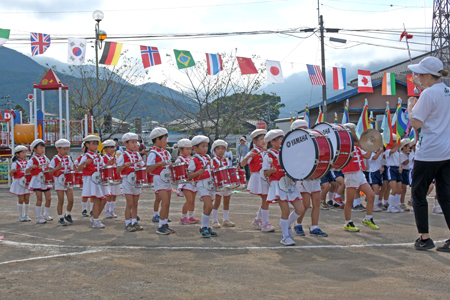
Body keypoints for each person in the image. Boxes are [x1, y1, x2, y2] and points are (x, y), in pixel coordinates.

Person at [407, 56, 450, 251]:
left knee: (418, 193)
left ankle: (425, 238)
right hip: (446, 151)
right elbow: (436, 101)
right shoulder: (446, 90)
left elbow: (416, 122)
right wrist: (423, 89)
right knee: (446, 195)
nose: (417, 77)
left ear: (426, 75)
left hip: (428, 152)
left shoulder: (427, 94)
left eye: (419, 74)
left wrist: (410, 108)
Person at [262, 129, 304, 246]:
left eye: (282, 138)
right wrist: (271, 171)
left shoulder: (286, 152)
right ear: (272, 142)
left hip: (289, 183)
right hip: (278, 184)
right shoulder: (268, 155)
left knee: (300, 209)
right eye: (280, 139)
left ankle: (285, 224)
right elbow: (265, 173)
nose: (282, 140)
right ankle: (285, 236)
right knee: (285, 210)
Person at [290, 120, 328, 237]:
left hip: (314, 177)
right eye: (302, 128)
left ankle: (314, 227)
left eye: (306, 128)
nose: (306, 130)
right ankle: (297, 224)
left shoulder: (314, 142)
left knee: (316, 202)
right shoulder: (292, 145)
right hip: (303, 178)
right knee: (305, 204)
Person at [341, 123, 378, 232]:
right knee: (349, 201)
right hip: (351, 174)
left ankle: (368, 218)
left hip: (359, 173)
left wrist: (371, 146)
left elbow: (367, 155)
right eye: (352, 129)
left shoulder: (356, 147)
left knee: (371, 195)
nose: (354, 131)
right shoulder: (345, 146)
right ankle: (348, 223)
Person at [241, 129, 275, 232]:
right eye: (261, 139)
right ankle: (265, 223)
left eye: (264, 139)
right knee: (265, 199)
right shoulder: (253, 151)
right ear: (254, 141)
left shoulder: (266, 151)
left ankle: (258, 220)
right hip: (258, 177)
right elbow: (242, 164)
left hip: (266, 177)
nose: (263, 141)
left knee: (266, 200)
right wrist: (248, 157)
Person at [188, 135, 218, 238]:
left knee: (208, 207)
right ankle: (203, 228)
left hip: (210, 183)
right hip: (201, 184)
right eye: (203, 146)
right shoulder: (194, 160)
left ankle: (206, 226)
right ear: (195, 148)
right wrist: (197, 173)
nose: (206, 148)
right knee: (209, 206)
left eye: (206, 146)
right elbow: (189, 175)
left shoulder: (208, 157)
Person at [146, 127, 174, 235]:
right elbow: (148, 169)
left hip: (167, 179)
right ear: (157, 139)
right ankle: (160, 226)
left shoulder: (166, 152)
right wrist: (158, 164)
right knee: (165, 202)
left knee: (168, 203)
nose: (166, 142)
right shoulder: (153, 153)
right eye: (165, 139)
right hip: (158, 179)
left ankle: (165, 223)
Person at [117, 133, 144, 232]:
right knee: (129, 203)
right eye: (132, 142)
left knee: (135, 203)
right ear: (125, 143)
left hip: (136, 180)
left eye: (136, 142)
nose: (135, 144)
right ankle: (127, 223)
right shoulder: (123, 156)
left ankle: (134, 222)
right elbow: (118, 170)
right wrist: (124, 165)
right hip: (127, 181)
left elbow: (142, 166)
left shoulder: (137, 155)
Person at [78, 135, 106, 229]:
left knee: (103, 199)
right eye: (93, 144)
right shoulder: (86, 156)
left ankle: (95, 217)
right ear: (87, 145)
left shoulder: (98, 156)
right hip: (90, 179)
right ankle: (96, 220)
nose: (96, 146)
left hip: (98, 179)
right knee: (97, 199)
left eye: (97, 144)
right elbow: (79, 168)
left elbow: (102, 167)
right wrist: (84, 163)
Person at [48, 139, 74, 226]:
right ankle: (60, 218)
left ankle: (68, 214)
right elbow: (50, 172)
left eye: (67, 149)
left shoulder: (68, 158)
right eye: (64, 149)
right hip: (59, 181)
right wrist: (56, 168)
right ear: (58, 149)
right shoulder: (55, 159)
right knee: (61, 200)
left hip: (68, 180)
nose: (66, 151)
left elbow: (72, 168)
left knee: (71, 199)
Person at [26, 139, 52, 224]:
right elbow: (26, 171)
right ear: (34, 149)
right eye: (41, 148)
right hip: (37, 181)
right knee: (39, 199)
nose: (43, 150)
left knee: (49, 198)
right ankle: (39, 217)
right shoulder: (32, 159)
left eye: (43, 148)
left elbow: (50, 165)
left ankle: (46, 214)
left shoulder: (45, 157)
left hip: (45, 180)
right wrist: (31, 167)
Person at [211, 139, 235, 228]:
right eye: (218, 149)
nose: (221, 150)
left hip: (227, 184)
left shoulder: (227, 160)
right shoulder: (213, 161)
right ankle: (214, 220)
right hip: (218, 184)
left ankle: (225, 219)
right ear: (214, 151)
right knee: (217, 202)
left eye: (223, 149)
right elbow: (211, 171)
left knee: (227, 202)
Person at [175, 139, 199, 225]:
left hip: (192, 182)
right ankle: (183, 217)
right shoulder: (179, 159)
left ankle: (191, 216)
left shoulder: (191, 158)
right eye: (187, 149)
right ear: (181, 150)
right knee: (189, 200)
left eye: (190, 149)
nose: (189, 151)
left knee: (192, 200)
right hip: (185, 182)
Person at [10, 145, 33, 222]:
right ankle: (20, 216)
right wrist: (13, 171)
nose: (25, 154)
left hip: (26, 181)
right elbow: (11, 174)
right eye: (23, 152)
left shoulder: (27, 162)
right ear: (17, 154)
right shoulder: (15, 163)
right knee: (21, 199)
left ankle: (26, 215)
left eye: (25, 152)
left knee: (27, 199)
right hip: (19, 182)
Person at [102, 139, 122, 218]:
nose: (112, 149)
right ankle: (107, 211)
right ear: (105, 149)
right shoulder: (103, 158)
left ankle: (112, 211)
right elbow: (102, 168)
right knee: (109, 195)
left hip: (115, 177)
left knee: (114, 195)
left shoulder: (115, 157)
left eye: (113, 147)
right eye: (109, 147)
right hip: (108, 177)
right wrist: (108, 164)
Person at [385, 134, 404, 213]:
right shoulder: (388, 150)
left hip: (397, 169)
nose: (395, 143)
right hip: (391, 169)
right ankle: (390, 206)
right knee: (394, 189)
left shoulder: (398, 152)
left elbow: (400, 161)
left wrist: (401, 168)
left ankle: (396, 205)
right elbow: (392, 151)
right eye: (393, 141)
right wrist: (397, 146)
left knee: (400, 189)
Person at [366, 147, 384, 212]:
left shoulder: (380, 153)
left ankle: (374, 204)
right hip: (372, 172)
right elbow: (374, 158)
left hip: (378, 172)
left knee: (377, 189)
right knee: (375, 189)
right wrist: (380, 152)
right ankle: (374, 205)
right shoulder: (371, 152)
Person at [399, 139, 411, 212]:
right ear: (404, 147)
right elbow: (405, 163)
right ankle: (402, 203)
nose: (409, 148)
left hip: (407, 171)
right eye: (408, 146)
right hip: (403, 172)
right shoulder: (402, 154)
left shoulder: (406, 154)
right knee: (402, 189)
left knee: (405, 189)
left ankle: (402, 203)